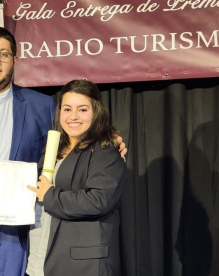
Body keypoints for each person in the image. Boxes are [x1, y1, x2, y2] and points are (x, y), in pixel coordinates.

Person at [0, 27, 126, 276]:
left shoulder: (42, 106)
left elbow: (71, 139)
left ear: (15, 60)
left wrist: (111, 138)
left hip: (20, 229)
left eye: (4, 54)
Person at [26, 79, 126, 276]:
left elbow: (100, 200)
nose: (73, 116)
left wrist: (51, 196)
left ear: (96, 111)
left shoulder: (104, 150)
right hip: (41, 254)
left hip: (80, 264)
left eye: (82, 109)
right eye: (67, 109)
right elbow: (35, 188)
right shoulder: (54, 149)